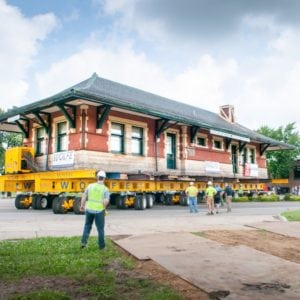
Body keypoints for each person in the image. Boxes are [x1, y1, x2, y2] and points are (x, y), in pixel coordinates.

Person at [80, 170, 110, 250]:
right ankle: (102, 247)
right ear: (104, 178)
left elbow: (84, 196)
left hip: (89, 209)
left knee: (87, 226)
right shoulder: (105, 189)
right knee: (100, 229)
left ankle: (83, 243)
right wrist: (104, 208)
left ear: (97, 177)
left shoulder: (90, 186)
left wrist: (82, 206)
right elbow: (106, 200)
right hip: (99, 211)